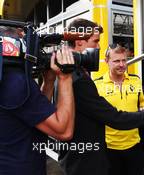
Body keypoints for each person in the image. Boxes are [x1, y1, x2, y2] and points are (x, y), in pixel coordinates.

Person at [58, 18, 144, 175]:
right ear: (79, 42)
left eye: (124, 60)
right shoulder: (79, 79)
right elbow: (114, 117)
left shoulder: (68, 73)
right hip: (87, 161)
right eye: (95, 41)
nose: (98, 46)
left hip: (123, 149)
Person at [0, 26, 75, 175]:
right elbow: (64, 131)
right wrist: (65, 77)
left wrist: (48, 83)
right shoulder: (16, 81)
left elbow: (35, 116)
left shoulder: (6, 77)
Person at [94, 44, 144, 175]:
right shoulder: (96, 84)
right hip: (108, 149)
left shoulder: (136, 80)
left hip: (134, 145)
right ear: (107, 61)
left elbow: (142, 106)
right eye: (116, 61)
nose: (122, 64)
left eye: (124, 60)